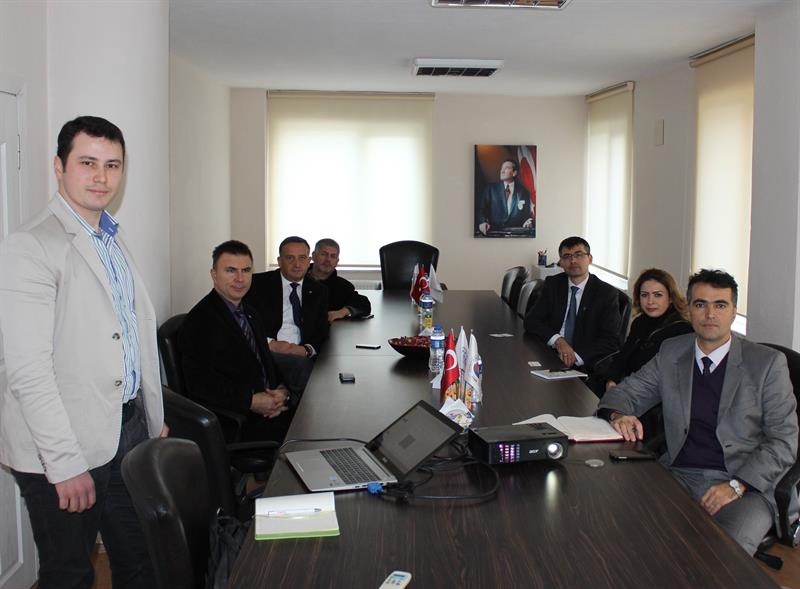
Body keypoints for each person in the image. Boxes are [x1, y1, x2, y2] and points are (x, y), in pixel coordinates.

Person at [0, 116, 167, 588]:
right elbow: (28, 370)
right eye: (87, 163)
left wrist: (151, 416)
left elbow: (130, 335)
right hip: (64, 443)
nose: (101, 176)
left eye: (113, 165)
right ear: (59, 167)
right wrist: (65, 464)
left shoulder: (110, 238)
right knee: (70, 573)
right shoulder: (31, 246)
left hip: (125, 429)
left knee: (141, 558)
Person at [598, 269, 798, 555]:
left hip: (745, 484)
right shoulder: (672, 352)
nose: (710, 314)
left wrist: (736, 486)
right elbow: (625, 392)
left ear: (733, 312)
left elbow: (783, 441)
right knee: (628, 533)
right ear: (689, 309)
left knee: (724, 556)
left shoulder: (767, 364)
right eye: (701, 304)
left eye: (720, 305)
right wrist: (619, 414)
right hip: (679, 472)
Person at [178, 240, 291, 442]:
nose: (240, 279)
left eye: (246, 270)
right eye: (230, 270)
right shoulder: (200, 321)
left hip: (268, 408)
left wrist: (282, 391)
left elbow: (265, 361)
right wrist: (251, 401)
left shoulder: (250, 313)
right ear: (214, 275)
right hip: (238, 420)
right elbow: (200, 384)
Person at [524, 236, 623, 371]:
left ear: (590, 259)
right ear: (561, 262)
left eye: (578, 255)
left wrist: (574, 357)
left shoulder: (606, 293)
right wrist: (558, 340)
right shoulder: (553, 284)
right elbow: (531, 320)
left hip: (584, 362)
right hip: (550, 353)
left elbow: (611, 340)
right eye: (567, 256)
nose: (573, 261)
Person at [245, 236, 329, 393]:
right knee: (302, 369)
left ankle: (285, 395)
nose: (297, 264)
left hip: (300, 352)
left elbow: (321, 330)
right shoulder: (257, 285)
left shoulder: (319, 291)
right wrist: (270, 343)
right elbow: (245, 322)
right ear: (279, 261)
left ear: (309, 260)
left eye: (302, 258)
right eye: (290, 258)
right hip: (268, 350)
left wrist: (307, 349)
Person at [605, 268, 693, 389]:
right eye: (644, 295)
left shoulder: (682, 330)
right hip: (627, 388)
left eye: (658, 295)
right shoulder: (640, 322)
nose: (650, 301)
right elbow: (622, 357)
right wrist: (611, 380)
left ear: (671, 298)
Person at [309, 238, 371, 322]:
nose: (328, 260)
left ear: (337, 261)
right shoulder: (297, 279)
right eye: (324, 254)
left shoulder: (343, 286)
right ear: (313, 256)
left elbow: (364, 304)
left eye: (333, 256)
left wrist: (343, 312)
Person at [477, 159, 533, 235]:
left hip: (516, 234)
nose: (502, 171)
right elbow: (481, 210)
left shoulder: (523, 191)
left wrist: (527, 221)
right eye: (502, 168)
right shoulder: (491, 189)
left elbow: (526, 214)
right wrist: (482, 222)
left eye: (506, 168)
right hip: (494, 233)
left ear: (514, 173)